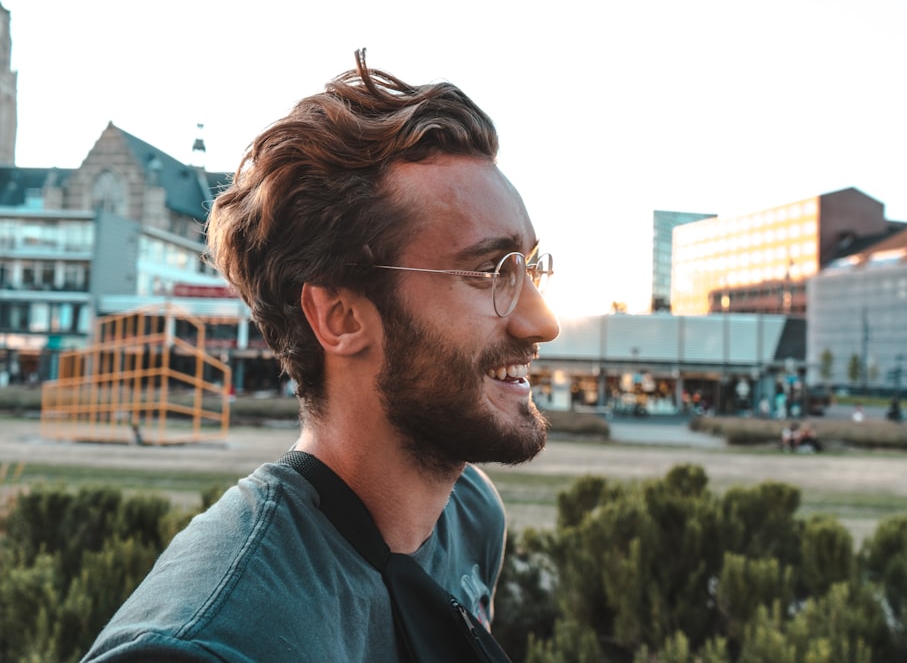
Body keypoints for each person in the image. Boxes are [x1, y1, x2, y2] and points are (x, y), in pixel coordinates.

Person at [83, 50, 559, 661]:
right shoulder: (208, 644)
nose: (541, 321)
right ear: (341, 317)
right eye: (488, 271)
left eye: (529, 266)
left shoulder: (469, 513)